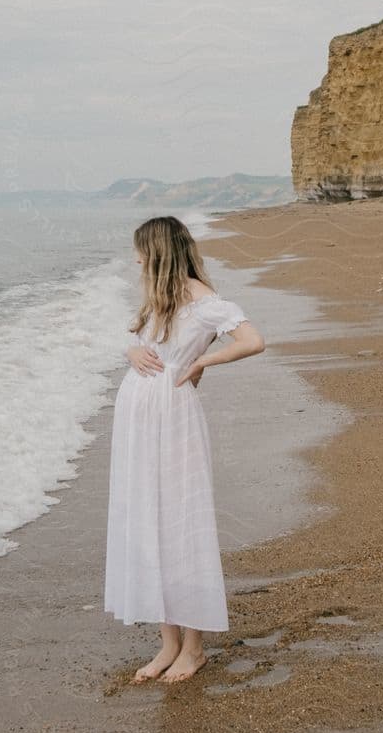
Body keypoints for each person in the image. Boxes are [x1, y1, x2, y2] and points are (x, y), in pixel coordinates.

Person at [104, 214, 265, 683]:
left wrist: (202, 361)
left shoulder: (203, 299)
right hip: (137, 420)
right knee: (149, 520)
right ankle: (168, 644)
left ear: (157, 251)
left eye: (139, 250)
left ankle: (194, 649)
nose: (134, 258)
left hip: (174, 417)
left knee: (180, 520)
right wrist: (131, 351)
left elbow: (254, 340)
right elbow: (140, 344)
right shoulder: (157, 298)